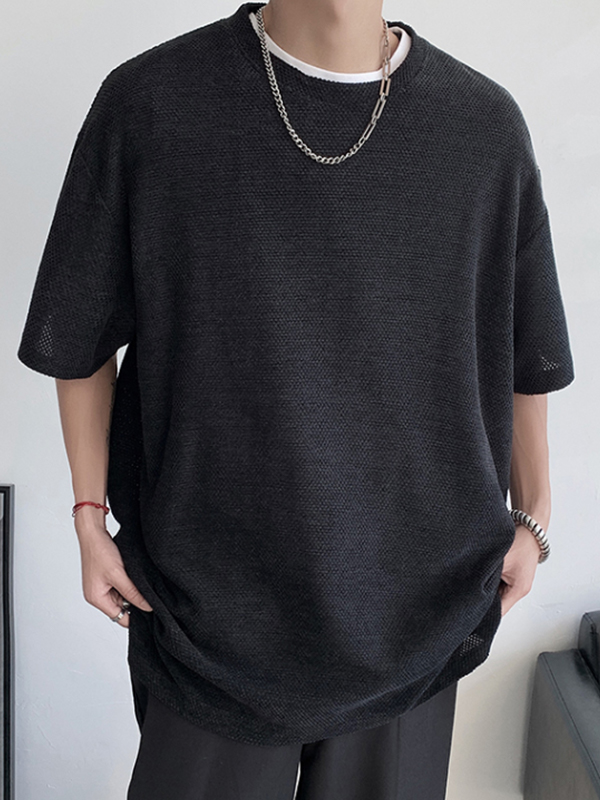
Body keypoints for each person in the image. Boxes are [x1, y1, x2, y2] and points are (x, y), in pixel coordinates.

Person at [17, 1, 575, 797]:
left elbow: (525, 347)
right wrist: (86, 514)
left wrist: (535, 516)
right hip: (208, 616)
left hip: (419, 612)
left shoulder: (482, 129)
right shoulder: (152, 105)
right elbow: (77, 332)